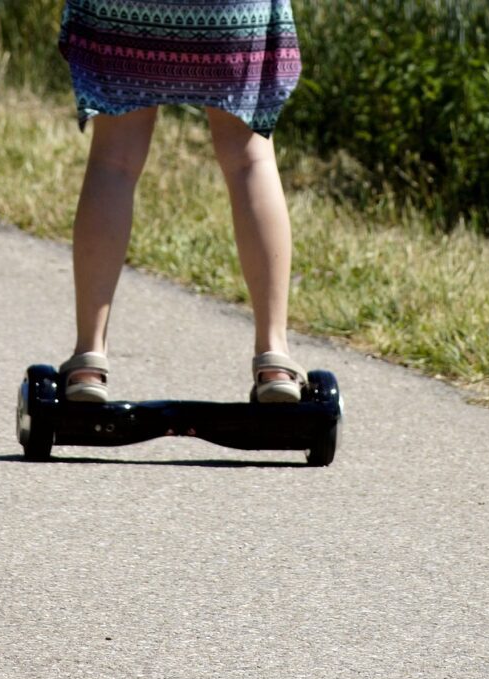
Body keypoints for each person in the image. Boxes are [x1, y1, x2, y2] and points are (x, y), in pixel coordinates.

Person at [57, 0, 306, 403]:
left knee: (114, 161)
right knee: (250, 160)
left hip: (127, 15)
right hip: (229, 15)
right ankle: (274, 356)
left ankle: (88, 359)